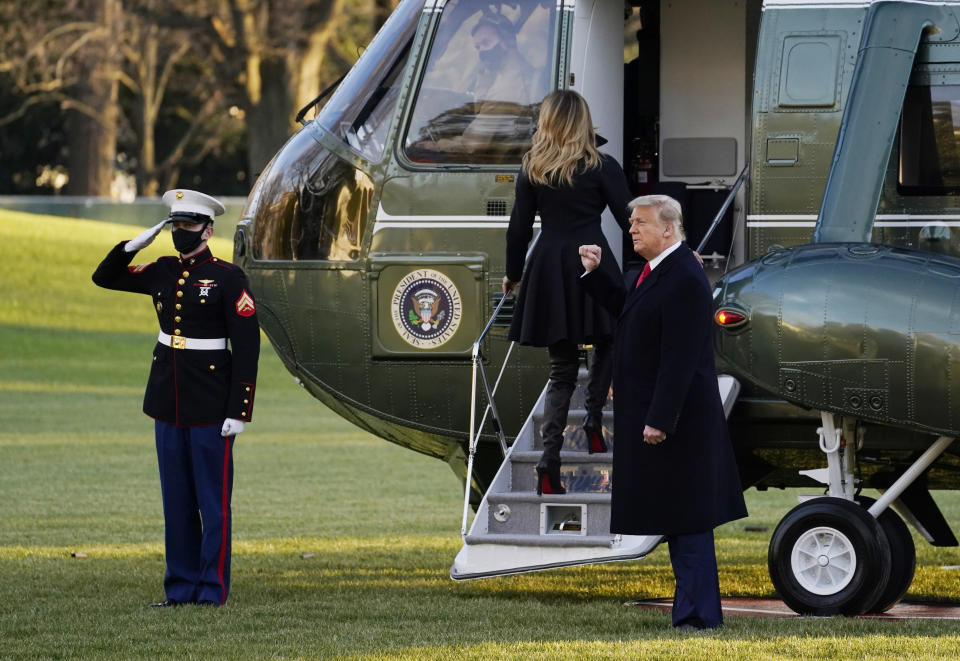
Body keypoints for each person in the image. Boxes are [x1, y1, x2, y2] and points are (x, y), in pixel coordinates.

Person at [578, 195, 747, 630]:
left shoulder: (686, 278)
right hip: (660, 417)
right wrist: (598, 275)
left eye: (640, 223)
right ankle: (691, 612)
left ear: (668, 229)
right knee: (676, 517)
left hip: (679, 424)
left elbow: (681, 359)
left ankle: (698, 617)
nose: (631, 229)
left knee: (687, 519)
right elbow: (630, 310)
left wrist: (659, 418)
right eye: (631, 222)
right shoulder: (656, 271)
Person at [92, 189, 260, 608]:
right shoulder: (163, 270)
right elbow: (105, 277)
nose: (180, 232)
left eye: (187, 225)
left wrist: (240, 411)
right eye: (175, 225)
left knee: (213, 504)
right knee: (177, 503)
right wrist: (132, 246)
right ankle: (180, 589)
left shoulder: (227, 277)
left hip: (211, 405)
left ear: (208, 229)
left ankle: (211, 591)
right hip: (168, 401)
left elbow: (247, 347)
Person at [503, 90, 632, 495]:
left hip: (548, 266)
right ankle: (594, 417)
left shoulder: (532, 169)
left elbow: (519, 229)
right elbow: (630, 215)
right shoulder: (601, 166)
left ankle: (548, 463)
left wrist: (512, 274)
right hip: (591, 257)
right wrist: (654, 258)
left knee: (561, 371)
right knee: (612, 335)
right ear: (582, 122)